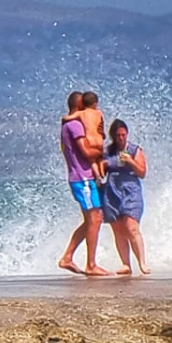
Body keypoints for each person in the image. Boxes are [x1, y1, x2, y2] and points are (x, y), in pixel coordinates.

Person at [57, 91, 109, 276]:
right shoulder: (74, 126)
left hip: (81, 178)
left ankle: (68, 257)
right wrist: (103, 151)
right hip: (82, 179)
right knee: (95, 218)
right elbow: (86, 152)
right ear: (79, 106)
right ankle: (91, 264)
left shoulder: (68, 125)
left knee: (91, 219)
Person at [101, 119, 150, 275]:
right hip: (111, 190)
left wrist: (130, 161)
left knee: (131, 227)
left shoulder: (135, 150)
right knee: (118, 229)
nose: (121, 138)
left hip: (131, 191)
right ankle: (125, 264)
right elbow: (100, 170)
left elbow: (142, 173)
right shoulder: (107, 151)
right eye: (118, 135)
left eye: (123, 135)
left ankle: (142, 263)